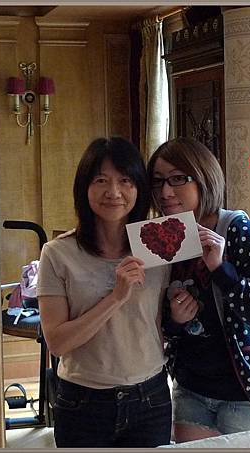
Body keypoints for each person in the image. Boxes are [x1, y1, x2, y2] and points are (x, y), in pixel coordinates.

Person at [147, 137, 250, 443]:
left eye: (178, 179)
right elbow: (164, 325)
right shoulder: (165, 237)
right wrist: (176, 319)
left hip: (249, 395)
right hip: (192, 391)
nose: (165, 192)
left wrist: (221, 270)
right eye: (158, 181)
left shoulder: (240, 232)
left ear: (203, 178)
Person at [37, 137, 172, 448]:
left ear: (138, 188)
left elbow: (164, 320)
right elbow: (57, 342)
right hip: (83, 402)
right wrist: (116, 297)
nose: (114, 192)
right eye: (101, 180)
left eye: (125, 180)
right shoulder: (57, 254)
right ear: (84, 188)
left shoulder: (157, 244)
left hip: (150, 397)